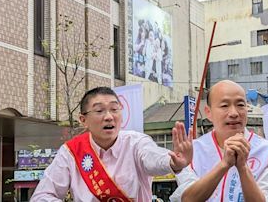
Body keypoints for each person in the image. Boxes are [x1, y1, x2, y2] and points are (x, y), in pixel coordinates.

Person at [31, 86, 193, 201]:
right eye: (100, 111)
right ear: (83, 120)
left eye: (114, 109)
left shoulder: (136, 143)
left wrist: (173, 163)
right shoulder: (71, 152)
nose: (109, 116)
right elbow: (41, 196)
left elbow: (152, 159)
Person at [170, 80, 268, 202]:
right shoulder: (193, 151)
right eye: (224, 106)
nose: (234, 113)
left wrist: (243, 168)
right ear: (209, 112)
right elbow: (188, 199)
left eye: (240, 105)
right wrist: (224, 165)